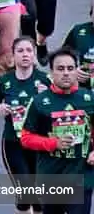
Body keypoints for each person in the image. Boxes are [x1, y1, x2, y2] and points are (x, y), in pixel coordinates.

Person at [20, 48, 94, 214]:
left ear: (76, 71)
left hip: (81, 177)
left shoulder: (88, 99)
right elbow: (26, 138)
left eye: (70, 68)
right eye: (60, 69)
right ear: (52, 73)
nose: (66, 73)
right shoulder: (39, 102)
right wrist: (54, 143)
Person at [0, 37, 49, 214]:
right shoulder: (5, 81)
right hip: (14, 142)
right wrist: (0, 108)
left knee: (39, 196)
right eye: (20, 51)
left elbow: (57, 110)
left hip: (39, 143)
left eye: (29, 50)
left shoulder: (45, 81)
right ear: (13, 56)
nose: (25, 54)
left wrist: (47, 98)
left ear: (34, 55)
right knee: (24, 193)